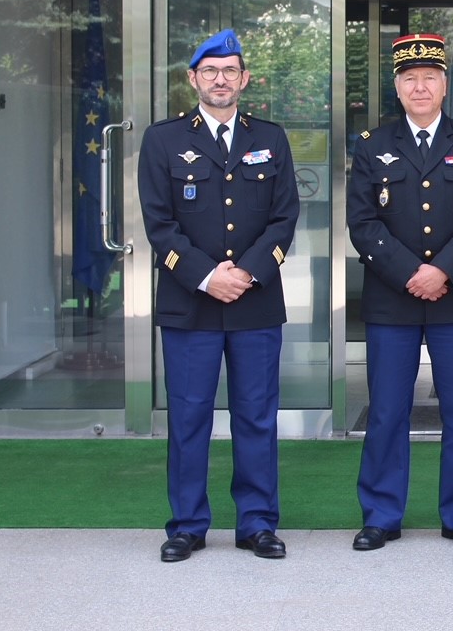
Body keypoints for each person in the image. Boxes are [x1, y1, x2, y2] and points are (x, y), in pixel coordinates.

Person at [138, 28, 300, 563]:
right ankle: (187, 524)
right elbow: (160, 227)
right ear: (193, 79)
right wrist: (209, 277)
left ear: (245, 79)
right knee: (188, 417)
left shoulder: (270, 138)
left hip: (255, 302)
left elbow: (284, 218)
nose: (221, 79)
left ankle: (257, 523)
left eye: (230, 70)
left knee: (257, 414)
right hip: (190, 304)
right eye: (210, 71)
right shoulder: (162, 140)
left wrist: (247, 274)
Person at [346, 33, 453, 551]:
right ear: (397, 87)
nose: (420, 86)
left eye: (430, 78)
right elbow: (363, 223)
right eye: (410, 78)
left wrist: (444, 272)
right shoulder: (372, 145)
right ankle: (381, 514)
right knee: (387, 410)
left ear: (445, 86)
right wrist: (411, 272)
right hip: (393, 298)